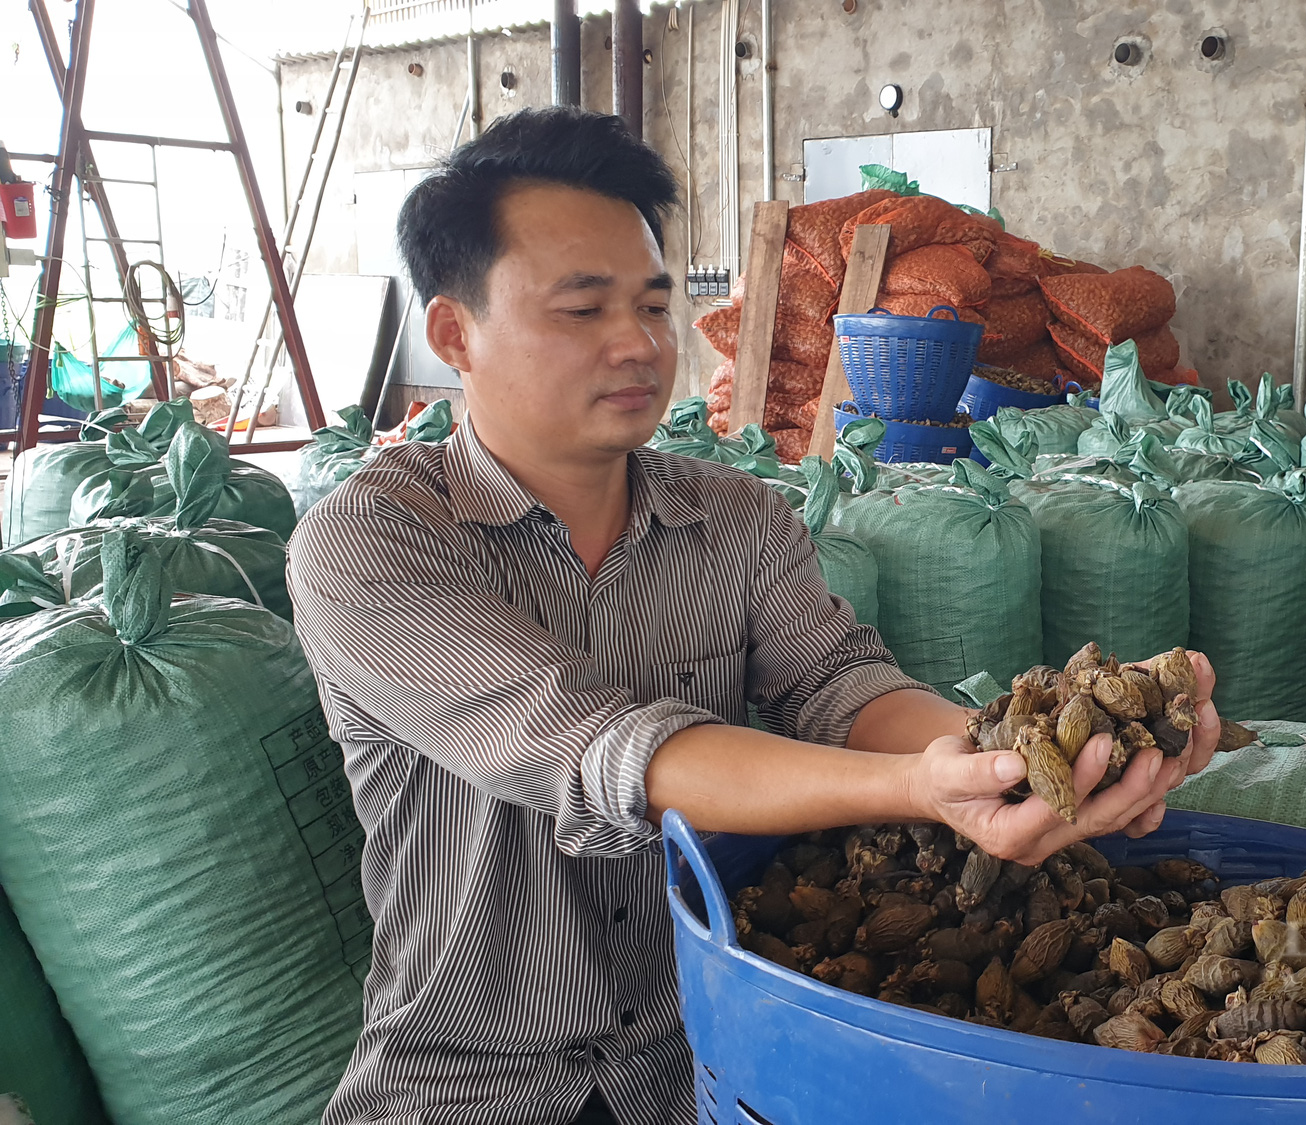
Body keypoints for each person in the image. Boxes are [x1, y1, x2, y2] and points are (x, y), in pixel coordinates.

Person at [287, 105, 1223, 1125]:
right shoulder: (369, 541)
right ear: (452, 333)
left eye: (650, 307)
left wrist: (1000, 759)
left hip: (700, 1057)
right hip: (468, 1084)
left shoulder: (735, 516)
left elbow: (839, 683)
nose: (637, 345)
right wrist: (920, 788)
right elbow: (597, 746)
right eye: (582, 310)